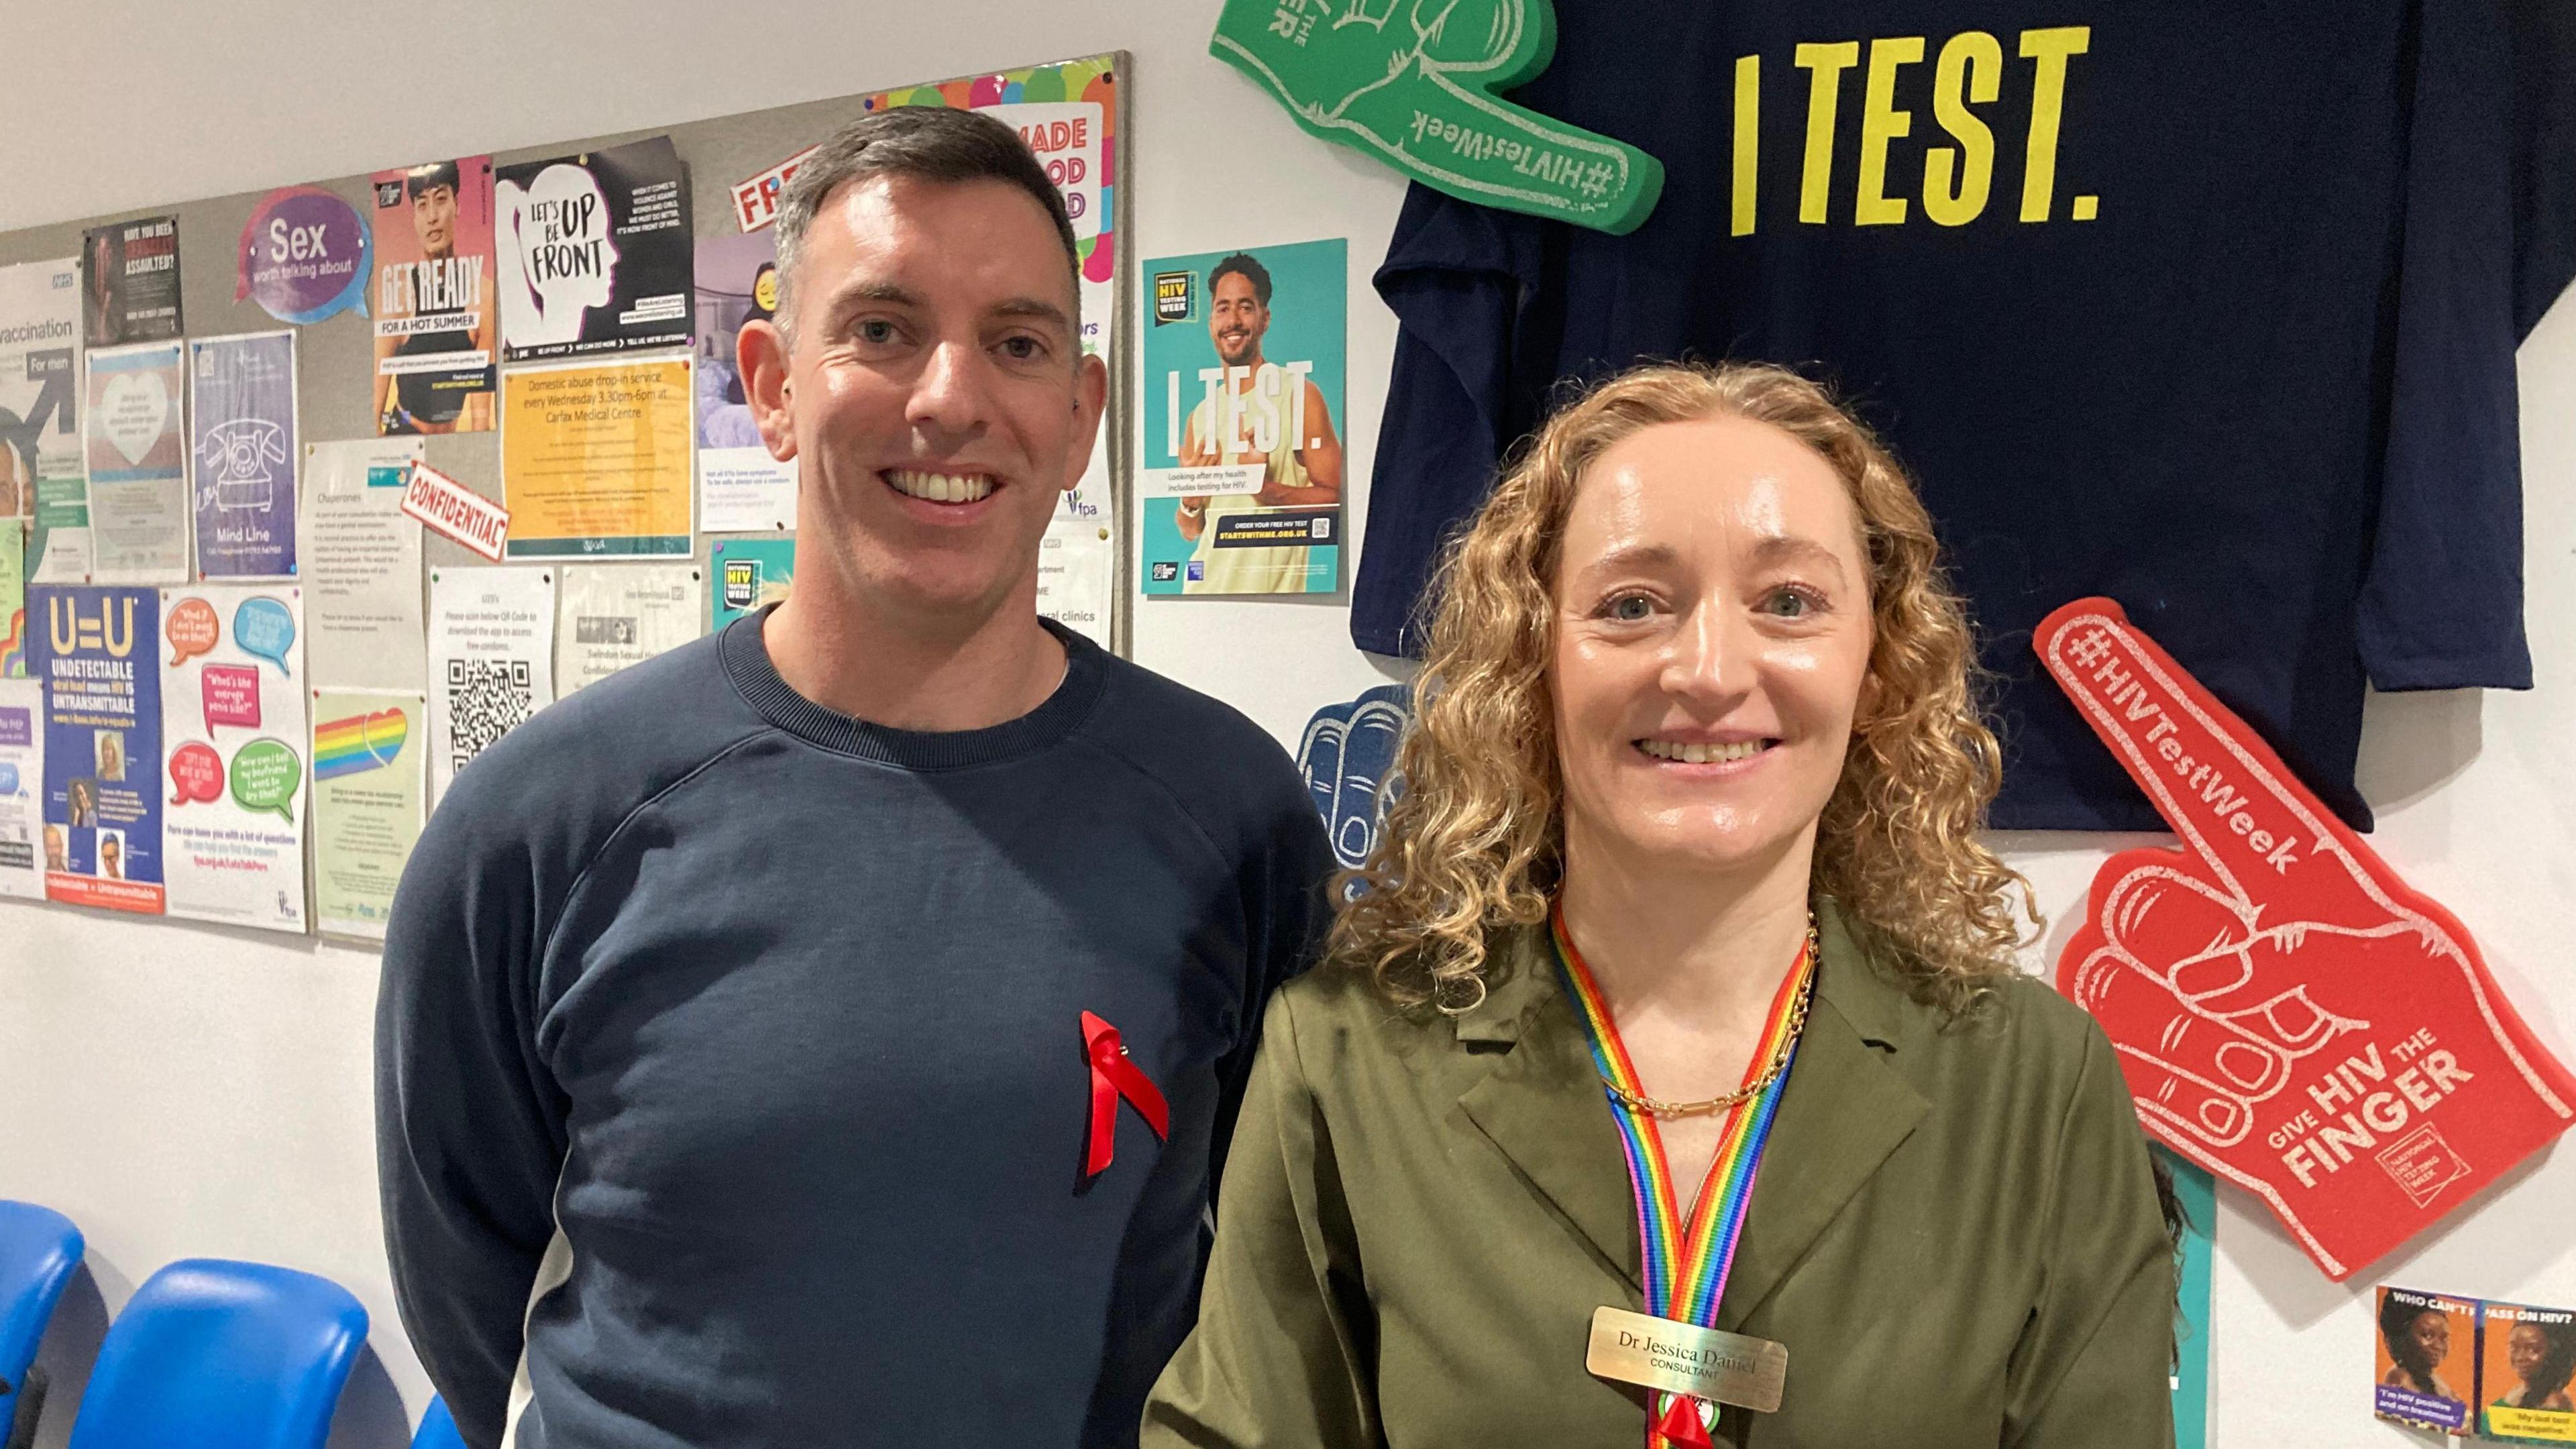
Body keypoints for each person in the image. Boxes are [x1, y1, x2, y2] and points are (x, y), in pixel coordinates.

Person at [377, 106, 1332, 1449]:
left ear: (1078, 417)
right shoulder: (542, 824)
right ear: (771, 384)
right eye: (882, 330)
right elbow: (466, 1285)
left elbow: (1284, 1273)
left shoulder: (1234, 815)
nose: (950, 398)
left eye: (1017, 342)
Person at [1144, 362, 2177, 1447]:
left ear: (1876, 665)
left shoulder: (2035, 1085)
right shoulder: (1348, 1058)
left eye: (1788, 601)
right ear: (1533, 663)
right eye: (1633, 605)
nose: (1710, 668)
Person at [1173, 252, 1342, 594]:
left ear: (1265, 319)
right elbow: (1191, 530)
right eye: (1223, 308)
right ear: (1211, 322)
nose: (1233, 320)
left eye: (1245, 307)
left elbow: (1338, 502)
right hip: (1197, 599)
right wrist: (1190, 500)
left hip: (1273, 608)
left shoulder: (1299, 394)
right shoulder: (1200, 415)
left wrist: (1266, 491)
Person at [375, 160, 496, 435]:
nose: (432, 216)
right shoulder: (401, 294)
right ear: (415, 219)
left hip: (449, 444)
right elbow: (375, 409)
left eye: (441, 200)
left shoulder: (483, 295)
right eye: (422, 205)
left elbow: (481, 421)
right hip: (403, 438)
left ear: (457, 205)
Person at [2381, 1296, 2459, 1400]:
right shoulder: (2399, 1378)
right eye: (2427, 1336)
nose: (2438, 1346)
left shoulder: (2437, 1383)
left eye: (2444, 1338)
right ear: (2403, 1338)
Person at [2493, 1318, 2576, 1413]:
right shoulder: (2519, 1392)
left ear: (2553, 1352)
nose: (2520, 1357)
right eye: (2514, 1347)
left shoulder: (2555, 1403)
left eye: (2533, 1349)